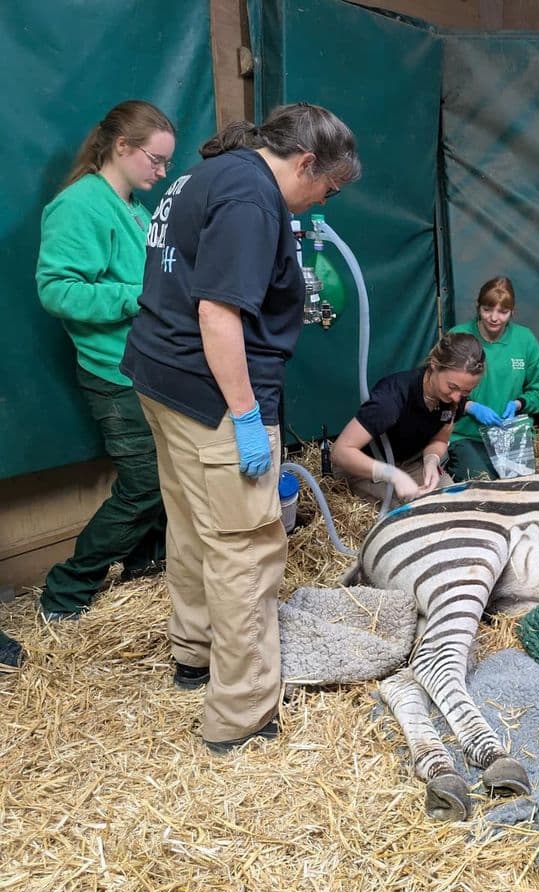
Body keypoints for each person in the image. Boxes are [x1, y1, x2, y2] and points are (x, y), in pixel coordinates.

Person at [120, 102, 361, 753]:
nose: (320, 204)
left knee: (195, 526)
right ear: (306, 161)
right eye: (326, 188)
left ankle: (192, 654)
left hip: (160, 378)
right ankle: (242, 715)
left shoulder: (208, 173)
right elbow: (218, 316)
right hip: (215, 397)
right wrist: (249, 418)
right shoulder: (255, 199)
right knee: (248, 550)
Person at [35, 100, 176, 620]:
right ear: (122, 147)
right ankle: (66, 590)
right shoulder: (79, 205)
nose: (162, 172)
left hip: (146, 366)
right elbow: (57, 290)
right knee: (145, 485)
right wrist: (136, 295)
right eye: (155, 160)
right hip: (111, 371)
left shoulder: (133, 208)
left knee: (167, 475)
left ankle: (144, 563)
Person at [332, 332, 485, 506]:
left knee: (453, 502)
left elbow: (440, 439)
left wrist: (432, 459)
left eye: (466, 391)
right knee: (410, 512)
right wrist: (391, 474)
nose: (458, 397)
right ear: (434, 365)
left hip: (411, 462)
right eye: (452, 387)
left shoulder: (453, 399)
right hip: (366, 467)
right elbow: (340, 453)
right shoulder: (392, 400)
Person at [446, 276, 539, 480]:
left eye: (503, 312)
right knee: (484, 484)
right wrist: (468, 406)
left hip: (510, 435)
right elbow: (437, 389)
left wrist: (519, 403)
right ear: (478, 307)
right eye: (487, 310)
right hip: (467, 434)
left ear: (512, 311)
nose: (494, 318)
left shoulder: (525, 340)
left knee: (518, 486)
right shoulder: (459, 336)